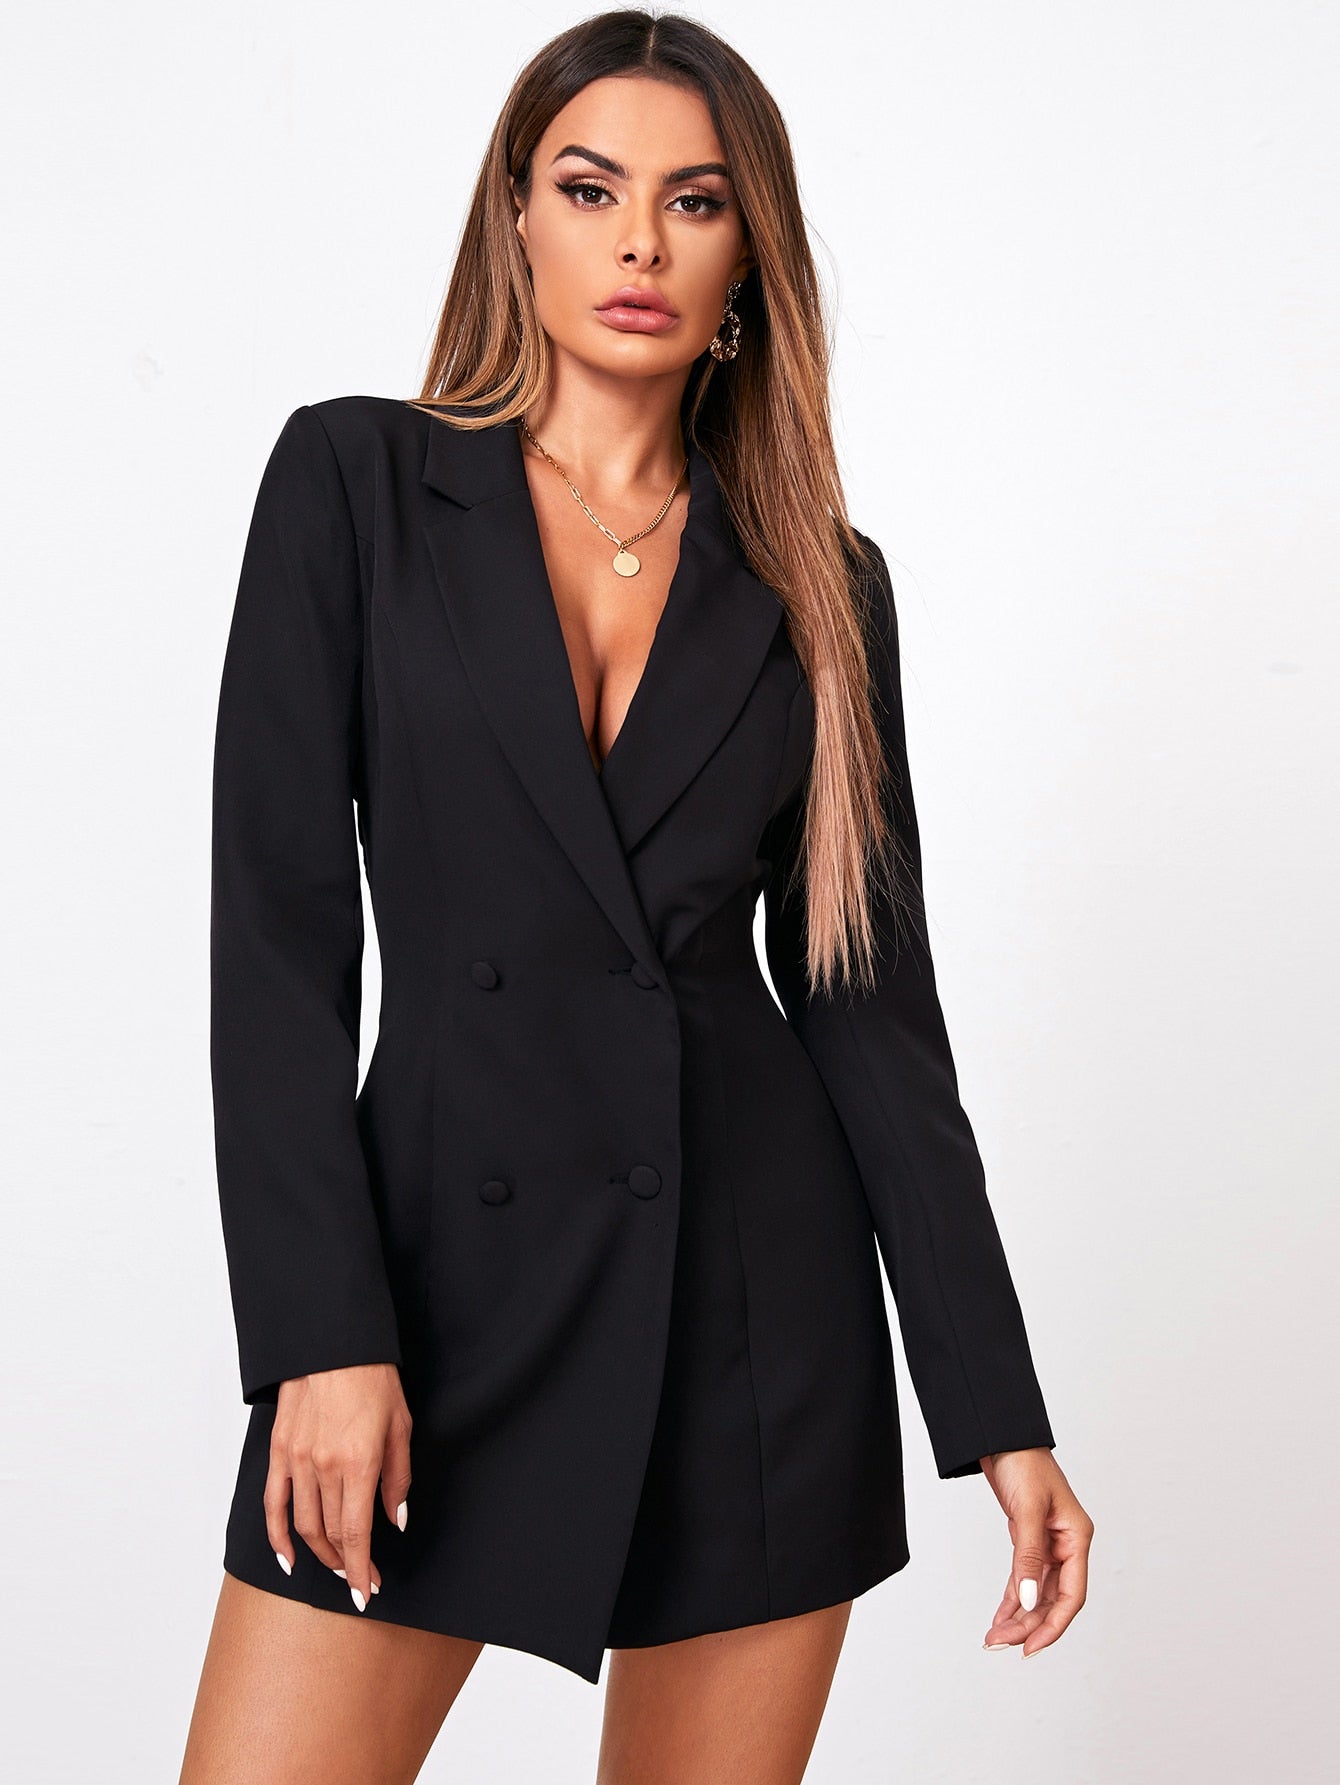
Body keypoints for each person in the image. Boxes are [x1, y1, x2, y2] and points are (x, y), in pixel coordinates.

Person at [180, 11, 1092, 1782]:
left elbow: (869, 1014)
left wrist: (998, 1410)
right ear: (516, 217)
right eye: (593, 191)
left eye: (696, 201)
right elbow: (276, 951)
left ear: (749, 255)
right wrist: (321, 1339)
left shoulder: (821, 584)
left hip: (747, 1310)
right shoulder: (355, 485)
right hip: (425, 1298)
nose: (641, 244)